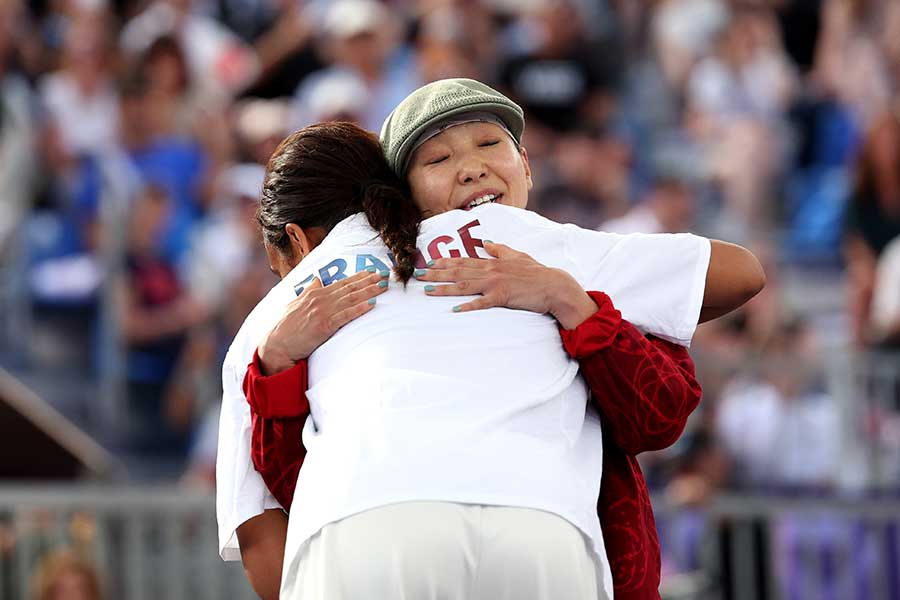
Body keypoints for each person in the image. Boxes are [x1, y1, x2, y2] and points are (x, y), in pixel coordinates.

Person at [216, 80, 764, 599]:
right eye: (438, 159)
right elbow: (743, 273)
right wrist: (568, 294)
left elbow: (264, 553)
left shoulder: (276, 315)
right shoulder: (523, 239)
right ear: (404, 195)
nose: (472, 168)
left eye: (487, 144)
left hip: (361, 523)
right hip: (544, 524)